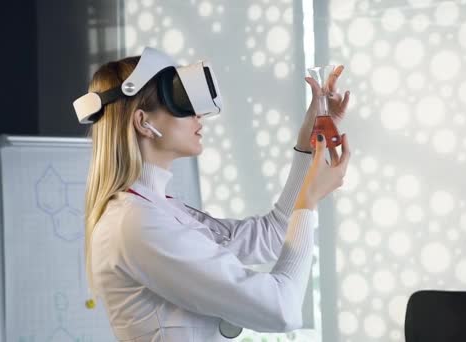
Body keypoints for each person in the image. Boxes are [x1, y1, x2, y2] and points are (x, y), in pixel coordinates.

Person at [73, 47, 350, 341]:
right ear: (144, 122)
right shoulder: (136, 223)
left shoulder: (159, 210)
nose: (198, 115)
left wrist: (309, 142)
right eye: (179, 101)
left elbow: (273, 235)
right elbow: (282, 308)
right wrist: (308, 200)